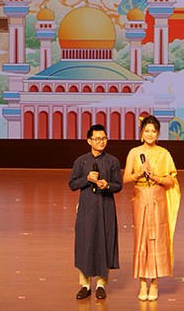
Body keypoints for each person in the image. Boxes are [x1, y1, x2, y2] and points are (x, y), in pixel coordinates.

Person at [123, 115, 181, 301]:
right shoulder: (134, 153)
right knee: (141, 239)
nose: (149, 134)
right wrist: (138, 173)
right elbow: (124, 179)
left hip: (158, 198)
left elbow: (171, 180)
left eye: (153, 131)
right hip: (140, 198)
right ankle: (142, 283)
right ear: (141, 133)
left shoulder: (164, 153)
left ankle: (154, 284)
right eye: (146, 131)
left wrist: (155, 177)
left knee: (157, 239)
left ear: (158, 134)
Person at [68, 124, 123, 300]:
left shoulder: (112, 161)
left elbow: (118, 185)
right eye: (98, 139)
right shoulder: (81, 161)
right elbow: (72, 184)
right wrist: (87, 179)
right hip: (87, 208)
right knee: (86, 243)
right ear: (89, 140)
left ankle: (101, 284)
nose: (101, 142)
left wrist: (107, 185)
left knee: (104, 242)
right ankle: (85, 284)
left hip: (106, 206)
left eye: (104, 138)